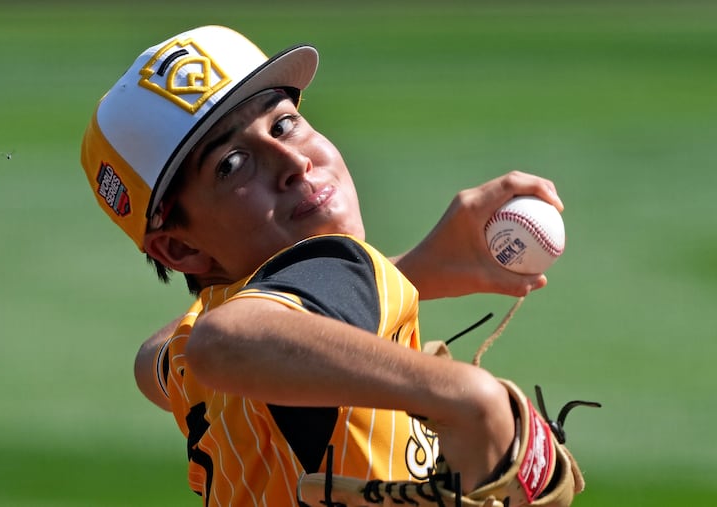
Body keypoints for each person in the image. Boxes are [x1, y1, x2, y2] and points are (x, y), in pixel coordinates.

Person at [81, 25, 567, 506]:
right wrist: (468, 396)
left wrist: (407, 273)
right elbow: (222, 341)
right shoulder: (336, 266)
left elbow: (156, 358)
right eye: (231, 164)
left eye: (282, 124)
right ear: (181, 251)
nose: (292, 160)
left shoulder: (202, 342)